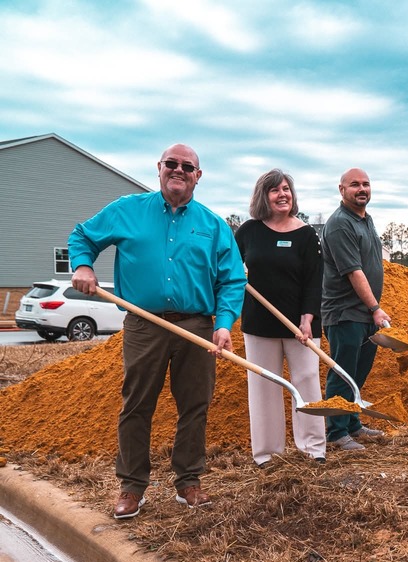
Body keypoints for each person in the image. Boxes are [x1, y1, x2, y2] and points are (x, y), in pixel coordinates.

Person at [68, 144, 246, 519]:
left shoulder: (213, 226)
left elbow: (233, 280)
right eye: (171, 164)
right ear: (159, 168)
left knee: (194, 406)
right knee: (137, 404)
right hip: (144, 323)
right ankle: (132, 487)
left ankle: (188, 481)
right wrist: (83, 266)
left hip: (196, 326)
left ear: (198, 175)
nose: (178, 170)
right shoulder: (128, 210)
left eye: (187, 166)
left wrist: (224, 324)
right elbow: (83, 236)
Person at [235, 169, 326, 467]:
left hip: (302, 326)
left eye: (286, 188)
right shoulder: (248, 232)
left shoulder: (306, 234)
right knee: (264, 387)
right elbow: (231, 268)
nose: (282, 194)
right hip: (259, 325)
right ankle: (267, 454)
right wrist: (237, 274)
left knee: (308, 382)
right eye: (275, 190)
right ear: (264, 196)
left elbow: (315, 280)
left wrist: (307, 318)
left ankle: (313, 450)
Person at [321, 168, 389, 452]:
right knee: (343, 372)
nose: (361, 189)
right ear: (341, 190)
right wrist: (375, 307)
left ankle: (352, 424)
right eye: (354, 185)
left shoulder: (365, 219)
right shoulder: (339, 224)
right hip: (344, 312)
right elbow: (353, 271)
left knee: (359, 372)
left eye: (366, 184)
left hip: (364, 314)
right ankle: (336, 433)